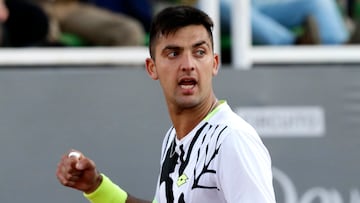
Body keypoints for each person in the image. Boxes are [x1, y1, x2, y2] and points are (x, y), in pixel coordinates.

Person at [56, 6, 276, 203]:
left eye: (199, 52)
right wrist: (96, 187)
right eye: (173, 53)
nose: (188, 65)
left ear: (214, 63)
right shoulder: (174, 138)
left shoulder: (233, 139)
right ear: (152, 68)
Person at [220, 0, 350, 45]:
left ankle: (338, 50)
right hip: (220, 8)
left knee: (317, 2)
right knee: (220, 3)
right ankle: (293, 44)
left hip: (259, 5)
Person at [35, 0, 146, 46]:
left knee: (128, 31)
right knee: (46, 36)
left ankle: (117, 88)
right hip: (28, 8)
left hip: (68, 7)